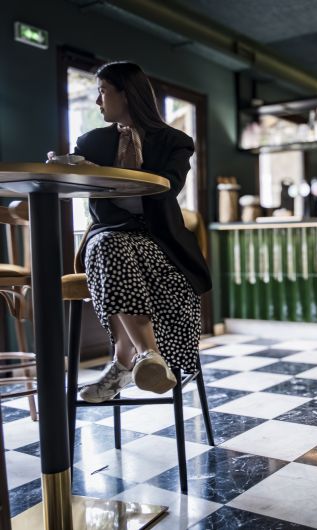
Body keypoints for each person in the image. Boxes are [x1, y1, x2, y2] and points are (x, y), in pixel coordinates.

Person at [59, 61, 211, 403]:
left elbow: (168, 186)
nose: (98, 101)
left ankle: (124, 361)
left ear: (126, 94)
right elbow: (76, 185)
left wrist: (113, 176)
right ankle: (147, 355)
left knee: (114, 251)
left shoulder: (175, 142)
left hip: (156, 239)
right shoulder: (91, 142)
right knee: (110, 244)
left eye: (103, 91)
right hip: (108, 233)